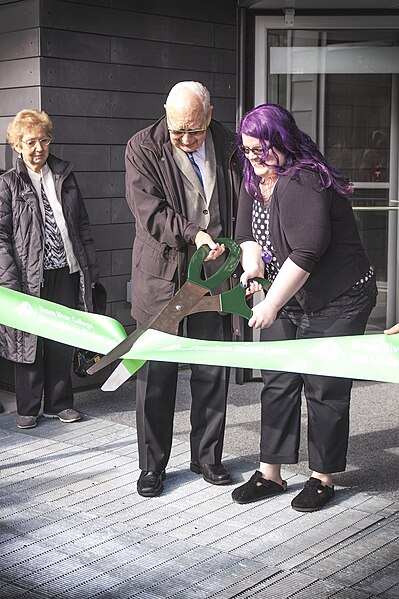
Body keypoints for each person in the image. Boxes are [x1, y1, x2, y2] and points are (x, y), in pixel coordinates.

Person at [232, 103, 377, 512]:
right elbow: (246, 232)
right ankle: (270, 473)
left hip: (339, 298)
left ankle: (322, 477)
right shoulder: (252, 177)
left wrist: (270, 303)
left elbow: (307, 252)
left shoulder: (304, 180)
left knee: (324, 384)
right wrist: (251, 258)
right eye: (247, 150)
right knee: (277, 380)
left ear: (283, 143)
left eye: (262, 151)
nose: (254, 159)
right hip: (291, 295)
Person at [125, 81, 241, 497]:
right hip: (162, 280)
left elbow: (241, 202)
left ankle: (207, 457)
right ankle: (152, 466)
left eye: (194, 130)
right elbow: (150, 214)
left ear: (209, 117)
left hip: (215, 278)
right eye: (178, 131)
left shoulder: (230, 142)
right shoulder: (142, 147)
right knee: (157, 375)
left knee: (212, 369)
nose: (187, 139)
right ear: (166, 116)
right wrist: (195, 235)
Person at [0, 109, 99, 429]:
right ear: (17, 145)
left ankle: (60, 403)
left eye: (44, 140)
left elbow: (82, 225)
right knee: (29, 341)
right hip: (28, 278)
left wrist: (89, 268)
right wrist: (10, 280)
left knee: (60, 339)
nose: (38, 148)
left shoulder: (64, 176)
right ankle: (28, 407)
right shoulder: (8, 184)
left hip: (65, 271)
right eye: (30, 142)